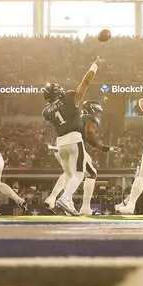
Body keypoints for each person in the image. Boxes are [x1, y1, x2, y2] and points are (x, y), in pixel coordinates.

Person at [42, 57, 102, 215]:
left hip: (60, 143)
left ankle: (63, 202)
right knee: (80, 174)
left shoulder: (46, 111)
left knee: (69, 174)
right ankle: (66, 198)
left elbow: (55, 113)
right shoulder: (69, 97)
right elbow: (85, 83)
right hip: (74, 139)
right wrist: (94, 65)